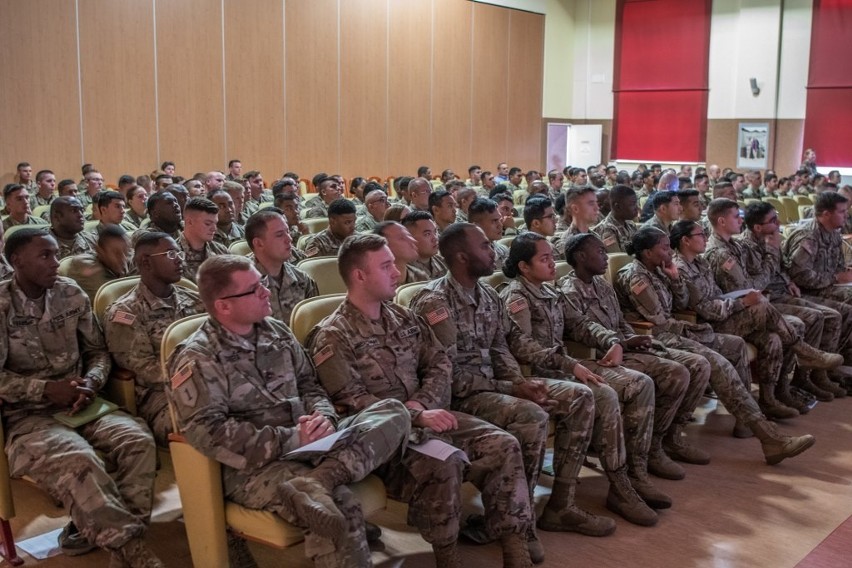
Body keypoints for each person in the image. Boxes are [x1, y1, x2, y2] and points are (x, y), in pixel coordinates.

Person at [166, 255, 409, 567]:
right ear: (224, 305)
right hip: (256, 466)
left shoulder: (276, 331)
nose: (266, 291)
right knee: (339, 503)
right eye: (254, 289)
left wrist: (324, 417)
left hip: (312, 443)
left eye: (263, 283)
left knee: (393, 411)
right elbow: (207, 433)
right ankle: (319, 492)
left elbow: (309, 383)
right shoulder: (198, 357)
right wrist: (291, 439)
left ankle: (317, 482)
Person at [308, 234, 533, 568]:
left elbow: (439, 364)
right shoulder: (333, 334)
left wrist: (421, 405)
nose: (398, 273)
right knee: (443, 462)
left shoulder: (404, 318)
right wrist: (411, 417)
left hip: (428, 415)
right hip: (386, 441)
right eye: (386, 266)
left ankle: (514, 540)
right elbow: (352, 401)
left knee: (503, 444)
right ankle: (447, 554)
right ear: (359, 276)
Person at [410, 224, 623, 556]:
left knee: (579, 396)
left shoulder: (488, 295)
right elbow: (445, 375)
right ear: (463, 257)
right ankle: (518, 523)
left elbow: (504, 348)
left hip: (494, 389)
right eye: (484, 246)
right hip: (458, 396)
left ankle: (559, 506)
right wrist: (513, 388)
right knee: (530, 415)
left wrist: (524, 382)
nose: (493, 251)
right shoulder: (435, 302)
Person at [0, 228, 162, 567]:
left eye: (57, 254)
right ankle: (134, 552)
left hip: (84, 403)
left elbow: (97, 351)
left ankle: (114, 541)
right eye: (45, 256)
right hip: (29, 416)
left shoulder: (69, 293)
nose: (57, 263)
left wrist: (91, 381)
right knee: (80, 458)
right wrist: (45, 389)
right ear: (17, 261)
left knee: (137, 441)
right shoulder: (2, 305)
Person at [499, 232, 668, 516]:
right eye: (544, 259)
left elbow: (580, 324)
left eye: (553, 257)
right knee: (604, 395)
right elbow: (521, 345)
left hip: (567, 366)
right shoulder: (516, 296)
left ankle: (634, 473)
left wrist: (612, 341)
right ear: (524, 267)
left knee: (641, 383)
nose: (553, 264)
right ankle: (610, 485)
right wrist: (568, 364)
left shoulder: (550, 291)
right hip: (541, 374)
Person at [614, 226, 816, 463]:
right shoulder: (635, 276)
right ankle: (766, 437)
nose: (670, 252)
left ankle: (747, 420)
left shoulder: (659, 269)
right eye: (665, 247)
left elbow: (682, 302)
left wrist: (676, 278)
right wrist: (693, 329)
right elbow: (659, 319)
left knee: (735, 345)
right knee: (717, 364)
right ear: (648, 252)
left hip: (678, 331)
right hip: (656, 337)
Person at [559, 233, 711, 480]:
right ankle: (641, 457)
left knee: (695, 365)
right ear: (580, 256)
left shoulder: (602, 285)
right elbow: (582, 328)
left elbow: (620, 322)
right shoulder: (568, 290)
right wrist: (620, 341)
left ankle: (662, 441)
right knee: (670, 375)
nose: (605, 256)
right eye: (599, 252)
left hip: (624, 348)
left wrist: (633, 339)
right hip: (600, 357)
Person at [671, 217, 841, 418]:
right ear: (685, 241)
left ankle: (769, 398)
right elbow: (706, 309)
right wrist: (742, 303)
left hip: (725, 316)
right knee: (761, 307)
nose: (705, 237)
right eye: (700, 234)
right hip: (706, 327)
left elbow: (717, 295)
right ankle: (804, 351)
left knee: (773, 338)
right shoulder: (681, 268)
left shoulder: (700, 263)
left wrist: (739, 300)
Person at [742, 201, 851, 399]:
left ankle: (814, 374)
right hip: (766, 300)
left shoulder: (769, 239)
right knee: (815, 316)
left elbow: (784, 267)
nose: (779, 223)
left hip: (783, 292)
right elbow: (757, 283)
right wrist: (772, 251)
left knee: (829, 315)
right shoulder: (746, 247)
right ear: (758, 227)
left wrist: (788, 279)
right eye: (773, 220)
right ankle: (790, 383)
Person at [104, 232, 204, 447]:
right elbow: (145, 370)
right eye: (170, 254)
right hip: (159, 399)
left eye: (178, 252)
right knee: (209, 422)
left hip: (207, 383)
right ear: (145, 262)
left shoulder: (193, 299)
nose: (179, 258)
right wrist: (199, 373)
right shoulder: (126, 313)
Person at [245, 209, 317, 323]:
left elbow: (313, 326)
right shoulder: (240, 285)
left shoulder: (302, 280)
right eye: (279, 235)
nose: (289, 239)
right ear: (258, 243)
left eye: (287, 232)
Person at [65, 224, 131, 301]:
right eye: (116, 253)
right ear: (99, 251)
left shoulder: (128, 258)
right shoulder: (84, 264)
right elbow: (117, 298)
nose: (123, 258)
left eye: (126, 251)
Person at [176, 197, 229, 281]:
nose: (214, 229)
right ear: (190, 222)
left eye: (215, 223)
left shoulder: (221, 251)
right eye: (208, 224)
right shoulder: (173, 255)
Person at [401, 210, 448, 279]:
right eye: (427, 234)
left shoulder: (443, 262)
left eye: (435, 232)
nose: (435, 238)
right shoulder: (403, 271)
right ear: (410, 238)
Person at [592, 185, 639, 253]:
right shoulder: (607, 229)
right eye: (632, 204)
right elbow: (617, 258)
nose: (636, 208)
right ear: (617, 207)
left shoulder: (630, 224)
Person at [469, 198, 512, 271]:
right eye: (494, 221)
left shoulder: (503, 250)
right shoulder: (468, 257)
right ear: (476, 226)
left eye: (499, 220)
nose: (500, 225)